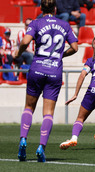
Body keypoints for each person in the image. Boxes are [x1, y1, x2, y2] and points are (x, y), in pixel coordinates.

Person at [16, 0, 78, 162]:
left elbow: (25, 42)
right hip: (54, 72)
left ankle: (23, 139)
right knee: (48, 113)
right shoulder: (64, 24)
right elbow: (75, 47)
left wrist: (18, 53)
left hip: (37, 69)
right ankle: (41, 147)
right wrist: (60, 55)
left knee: (29, 107)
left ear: (41, 9)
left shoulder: (36, 23)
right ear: (55, 9)